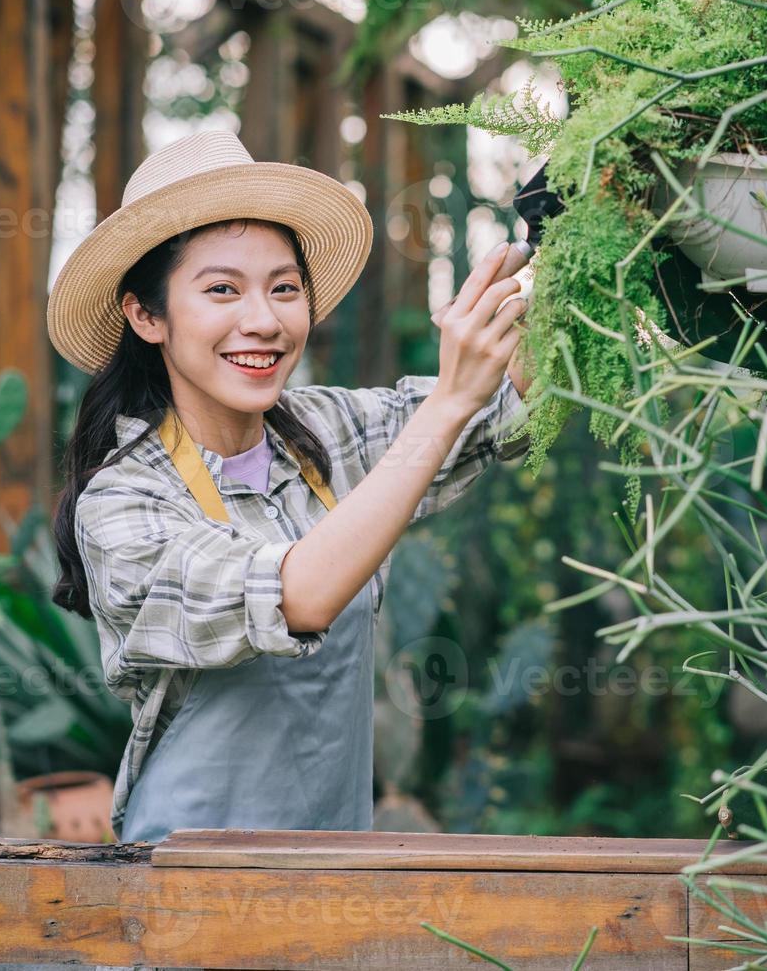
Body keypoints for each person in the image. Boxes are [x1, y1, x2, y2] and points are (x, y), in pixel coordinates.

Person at [46, 130, 534, 842]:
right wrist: (453, 400)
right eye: (221, 290)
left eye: (284, 288)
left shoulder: (328, 429)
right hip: (189, 878)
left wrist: (583, 237)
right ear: (146, 315)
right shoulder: (124, 503)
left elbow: (506, 401)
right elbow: (295, 596)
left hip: (334, 861)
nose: (264, 322)